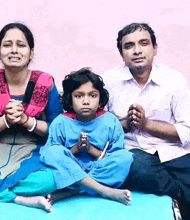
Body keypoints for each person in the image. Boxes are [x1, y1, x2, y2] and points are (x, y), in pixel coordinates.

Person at [0, 22, 63, 212]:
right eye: (7, 45)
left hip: (33, 153)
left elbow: (58, 128)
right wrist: (4, 121)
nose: (14, 50)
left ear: (31, 52)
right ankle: (17, 198)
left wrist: (26, 121)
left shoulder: (45, 84)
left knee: (52, 178)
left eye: (21, 45)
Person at [102, 22, 190, 219]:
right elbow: (99, 130)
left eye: (143, 43)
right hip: (134, 151)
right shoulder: (108, 82)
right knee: (137, 168)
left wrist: (146, 125)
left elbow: (187, 130)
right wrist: (127, 124)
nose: (137, 51)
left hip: (173, 151)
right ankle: (178, 196)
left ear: (155, 48)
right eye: (129, 46)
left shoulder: (174, 79)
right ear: (121, 52)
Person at [39, 68, 133, 210]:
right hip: (72, 166)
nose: (86, 101)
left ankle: (74, 190)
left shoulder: (110, 121)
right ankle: (104, 191)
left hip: (98, 169)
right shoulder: (60, 122)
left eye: (92, 96)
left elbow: (117, 154)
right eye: (79, 96)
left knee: (125, 158)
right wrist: (75, 149)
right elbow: (54, 156)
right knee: (50, 152)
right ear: (70, 98)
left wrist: (91, 150)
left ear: (100, 98)